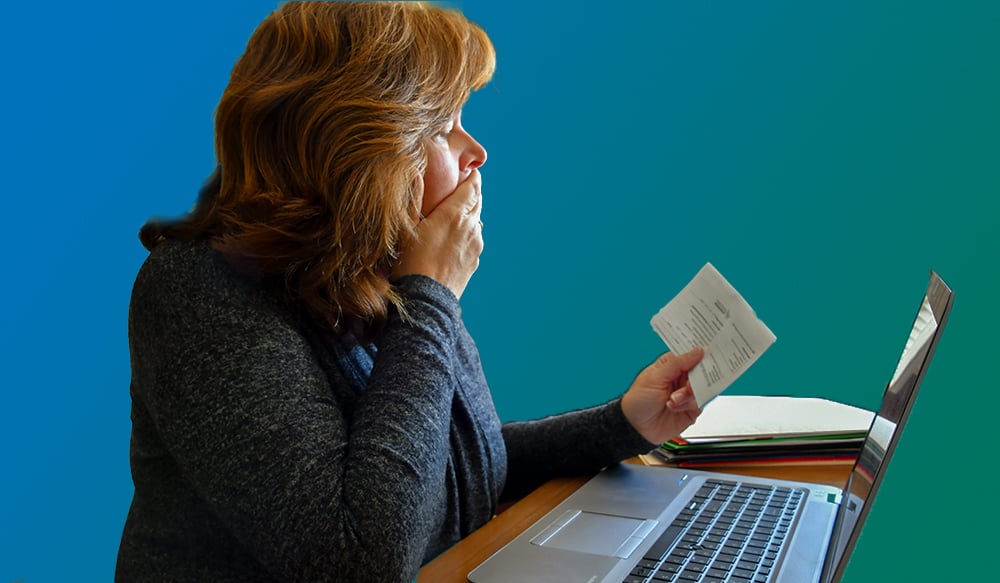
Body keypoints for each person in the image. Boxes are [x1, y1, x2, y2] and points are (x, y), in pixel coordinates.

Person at [115, 2, 704, 582]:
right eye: (444, 128)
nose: (477, 152)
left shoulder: (376, 272)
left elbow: (448, 471)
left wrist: (623, 424)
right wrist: (431, 293)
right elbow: (361, 558)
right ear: (365, 150)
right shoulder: (199, 293)